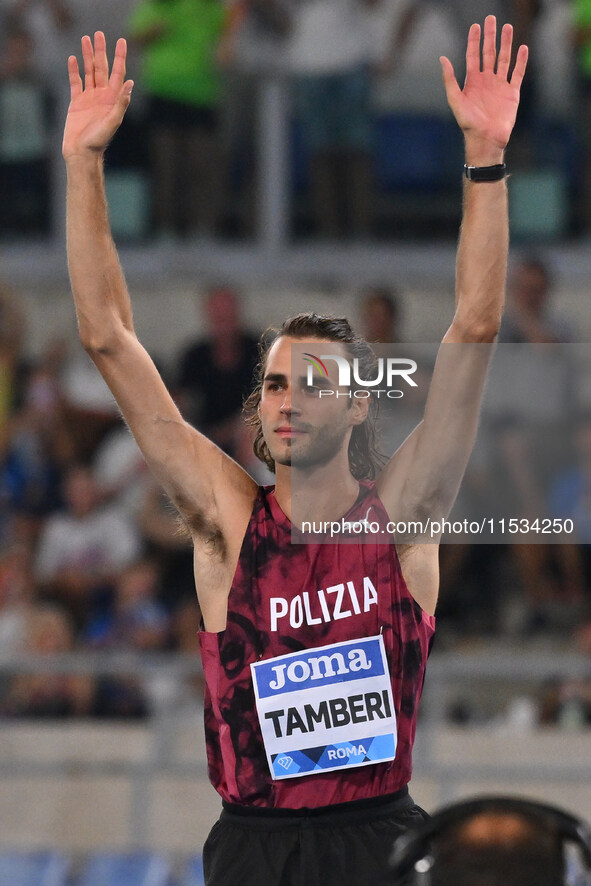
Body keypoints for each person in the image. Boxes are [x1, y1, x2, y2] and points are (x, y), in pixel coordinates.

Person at [62, 17, 527, 886]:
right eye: (276, 383)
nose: (289, 398)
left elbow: (474, 328)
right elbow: (110, 339)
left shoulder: (401, 519)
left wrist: (485, 164)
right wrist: (84, 166)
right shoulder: (230, 523)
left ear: (356, 408)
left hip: (377, 838)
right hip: (253, 846)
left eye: (314, 381)